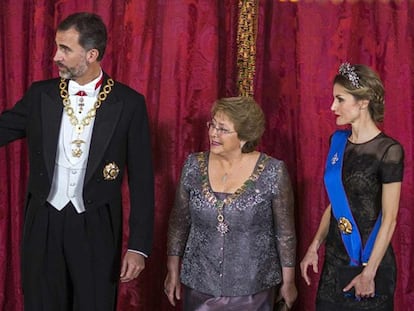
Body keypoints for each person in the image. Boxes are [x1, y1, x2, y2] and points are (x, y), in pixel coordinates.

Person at [0, 12, 154, 310]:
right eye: (57, 47)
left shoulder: (129, 103)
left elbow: (142, 180)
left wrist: (138, 246)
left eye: (65, 49)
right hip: (44, 219)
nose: (55, 56)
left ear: (92, 54)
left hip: (96, 224)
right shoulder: (40, 95)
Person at [164, 96, 297, 310]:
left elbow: (285, 233)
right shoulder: (193, 165)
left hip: (253, 288)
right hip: (199, 285)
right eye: (212, 125)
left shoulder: (273, 171)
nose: (213, 133)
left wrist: (289, 282)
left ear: (244, 137)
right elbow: (179, 222)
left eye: (223, 129)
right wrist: (172, 270)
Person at [300, 63, 404, 310]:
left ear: (364, 102)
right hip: (336, 260)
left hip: (372, 262)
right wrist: (314, 246)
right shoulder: (337, 142)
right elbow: (336, 203)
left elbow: (390, 219)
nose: (332, 107)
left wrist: (369, 274)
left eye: (340, 99)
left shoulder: (389, 151)